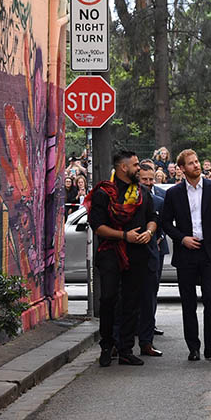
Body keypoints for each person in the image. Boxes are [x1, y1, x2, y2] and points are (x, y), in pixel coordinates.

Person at [159, 149, 211, 362]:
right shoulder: (173, 193)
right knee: (188, 302)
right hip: (186, 253)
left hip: (209, 252)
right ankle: (193, 347)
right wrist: (182, 238)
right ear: (182, 168)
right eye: (191, 163)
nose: (196, 165)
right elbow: (165, 223)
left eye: (197, 161)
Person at [88, 150, 157, 367]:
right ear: (123, 167)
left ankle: (126, 349)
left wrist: (149, 232)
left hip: (137, 256)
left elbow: (153, 218)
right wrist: (125, 236)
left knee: (131, 302)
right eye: (136, 165)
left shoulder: (142, 193)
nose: (140, 168)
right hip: (111, 254)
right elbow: (98, 227)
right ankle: (107, 346)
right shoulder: (103, 193)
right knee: (108, 299)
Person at [137, 161, 169, 356]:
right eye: (145, 179)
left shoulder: (161, 198)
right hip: (137, 250)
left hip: (156, 249)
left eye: (151, 179)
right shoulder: (131, 198)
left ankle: (148, 330)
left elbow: (164, 223)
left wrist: (159, 237)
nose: (149, 183)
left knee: (152, 291)